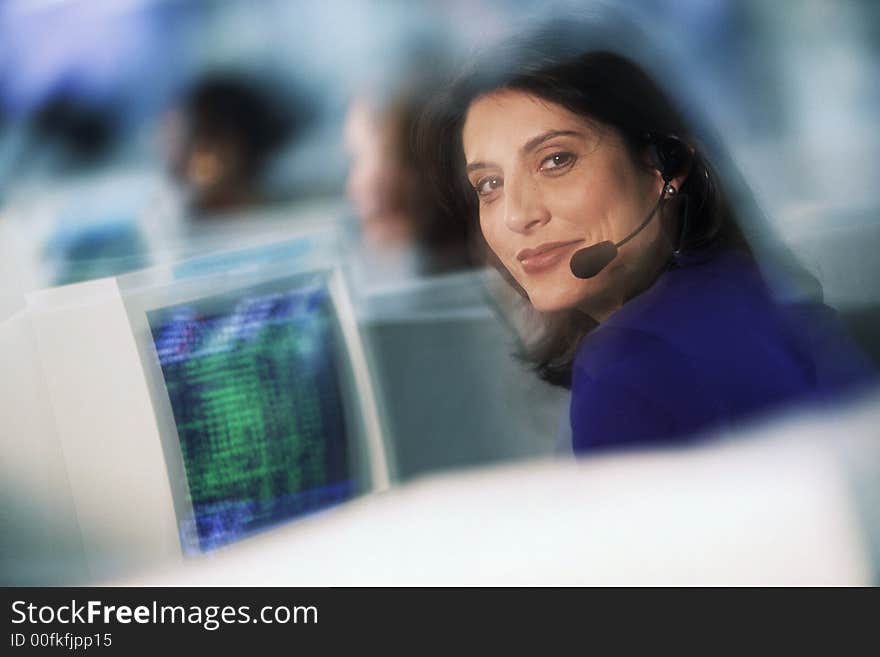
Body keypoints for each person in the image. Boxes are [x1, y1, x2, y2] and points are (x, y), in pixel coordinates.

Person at [417, 25, 876, 454]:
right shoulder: (750, 293)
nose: (518, 215)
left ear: (665, 166)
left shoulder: (628, 370)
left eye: (556, 160)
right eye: (489, 185)